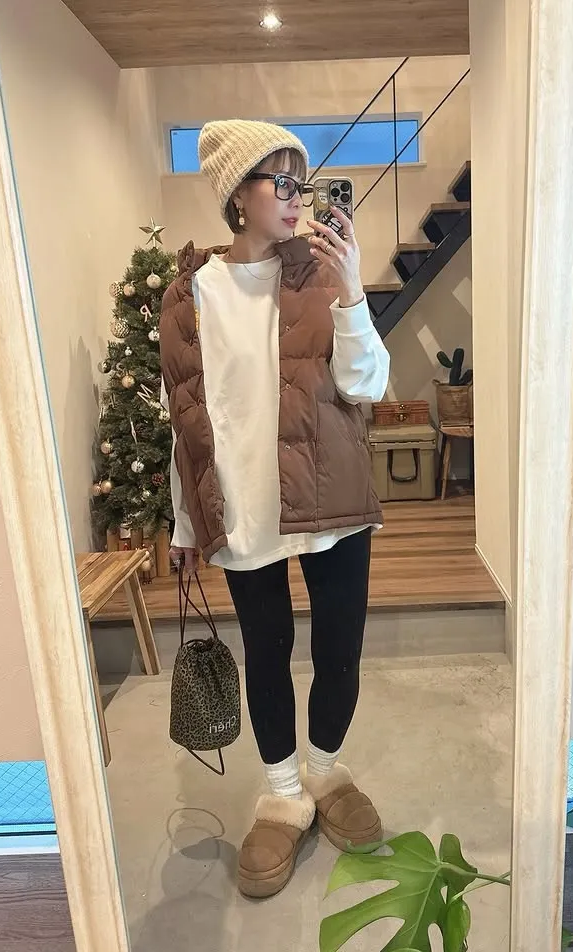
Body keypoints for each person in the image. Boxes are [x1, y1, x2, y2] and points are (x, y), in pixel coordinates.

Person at [159, 119, 390, 898]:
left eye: (302, 182)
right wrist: (185, 523)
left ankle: (325, 771)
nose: (297, 198)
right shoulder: (187, 297)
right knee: (266, 650)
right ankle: (284, 792)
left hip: (331, 496)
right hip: (244, 507)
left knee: (340, 651)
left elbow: (367, 385)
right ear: (238, 194)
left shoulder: (324, 274)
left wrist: (352, 291)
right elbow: (184, 419)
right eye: (282, 182)